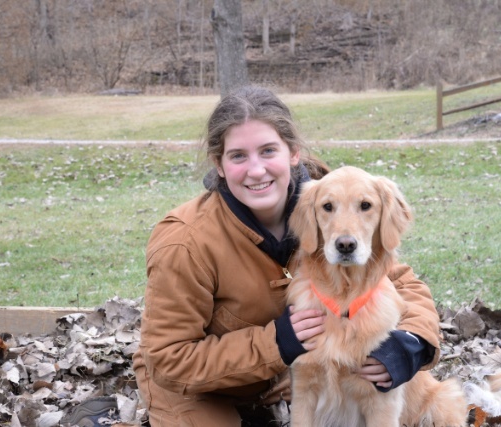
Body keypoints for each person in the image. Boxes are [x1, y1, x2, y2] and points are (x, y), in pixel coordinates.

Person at [132, 85, 441, 426]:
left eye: (268, 151)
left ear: (293, 152)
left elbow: (398, 280)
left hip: (287, 380)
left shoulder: (326, 203)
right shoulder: (186, 242)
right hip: (198, 388)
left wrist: (412, 341)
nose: (256, 170)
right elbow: (168, 359)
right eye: (238, 156)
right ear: (219, 164)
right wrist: (276, 343)